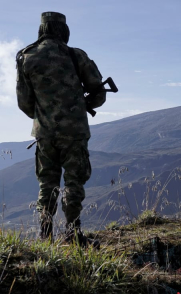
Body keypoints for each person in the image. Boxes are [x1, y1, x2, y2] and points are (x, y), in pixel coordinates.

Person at [16, 12, 106, 246]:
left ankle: (45, 237)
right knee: (74, 182)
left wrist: (44, 117)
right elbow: (99, 92)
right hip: (74, 133)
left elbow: (24, 103)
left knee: (47, 183)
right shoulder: (75, 56)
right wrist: (83, 106)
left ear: (42, 29)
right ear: (62, 30)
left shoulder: (27, 57)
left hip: (44, 134)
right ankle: (73, 234)